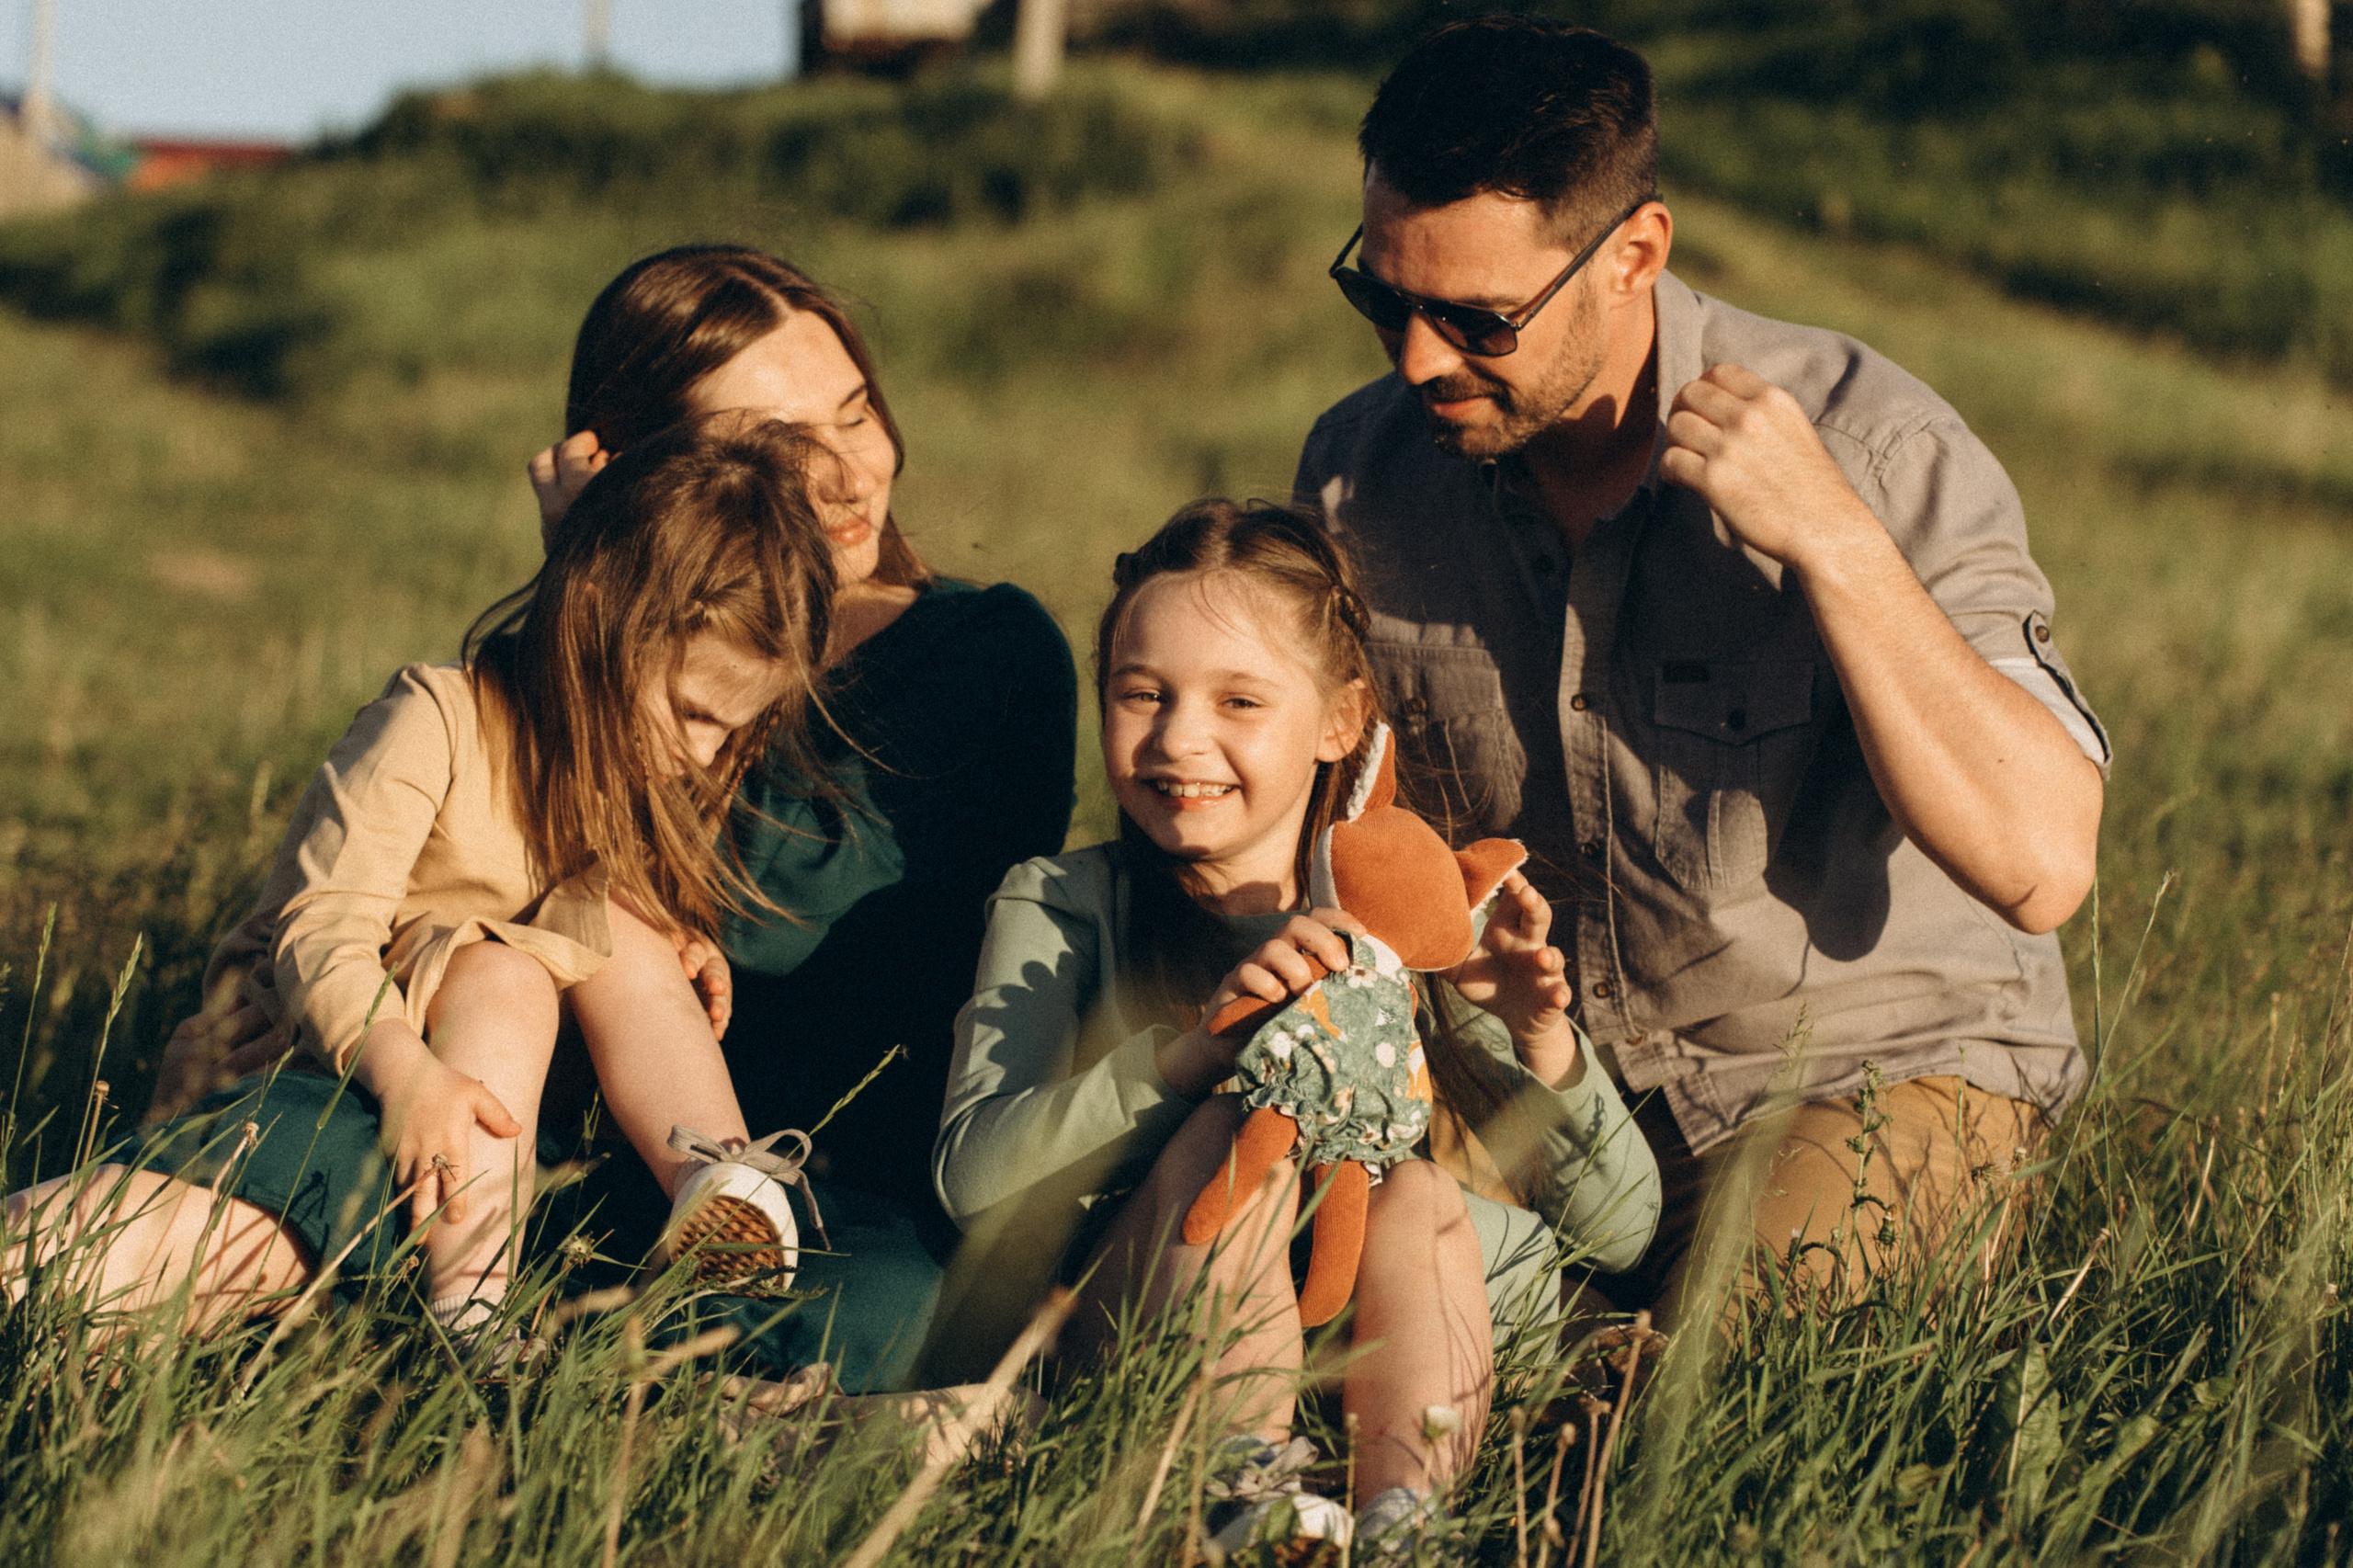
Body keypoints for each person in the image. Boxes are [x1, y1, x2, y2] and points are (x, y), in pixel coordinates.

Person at [1294, 17, 2110, 1322]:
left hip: (1859, 1071)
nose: (1417, 360)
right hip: (1543, 1091)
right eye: (1381, 298)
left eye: (1478, 319)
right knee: (1309, 1317)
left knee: (1701, 1396)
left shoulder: (1873, 445)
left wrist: (1833, 540)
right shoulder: (1363, 474)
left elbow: (2043, 860)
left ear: (1636, 256)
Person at [153, 245, 1080, 1390]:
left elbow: (780, 926)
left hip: (799, 1176)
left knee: (888, 1314)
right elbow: (494, 871)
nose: (847, 477)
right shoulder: (592, 645)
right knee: (247, 1192)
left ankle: (486, 1367)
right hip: (517, 1102)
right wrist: (594, 582)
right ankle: (456, 1329)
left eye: (857, 415)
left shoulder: (985, 653)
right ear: (646, 469)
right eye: (778, 447)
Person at [928, 502, 1656, 1556]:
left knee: (1412, 1186)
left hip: (1420, 1347)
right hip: (1159, 1325)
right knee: (1234, 1137)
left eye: (1237, 700)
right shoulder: (1066, 903)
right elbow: (971, 1181)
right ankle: (1244, 1494)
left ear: (1337, 720)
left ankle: (1404, 1525)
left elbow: (1623, 1232)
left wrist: (1542, 1038)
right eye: (1142, 694)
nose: (1180, 738)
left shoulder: (1412, 907)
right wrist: (1186, 1059)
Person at [6, 418, 841, 1336]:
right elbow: (319, 930)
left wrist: (671, 930)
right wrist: (405, 1073)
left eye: (731, 729)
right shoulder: (436, 717)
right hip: (328, 1042)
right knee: (506, 973)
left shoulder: (636, 759)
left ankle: (718, 1174)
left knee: (617, 955)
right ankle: (471, 1309)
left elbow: (588, 891)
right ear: (597, 617)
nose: (702, 754)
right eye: (691, 713)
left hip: (496, 1110)